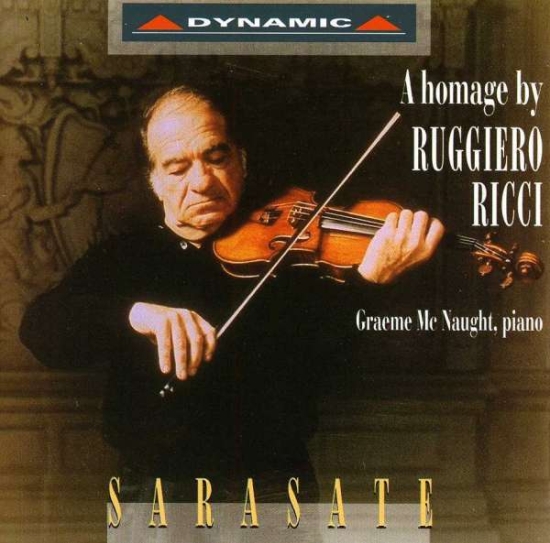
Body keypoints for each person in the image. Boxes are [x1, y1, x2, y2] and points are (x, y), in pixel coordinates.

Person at [19, 86, 444, 502]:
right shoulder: (125, 255)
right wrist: (135, 314)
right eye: (177, 168)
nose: (203, 182)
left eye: (216, 157)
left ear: (241, 161)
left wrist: (367, 282)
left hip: (274, 487)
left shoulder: (293, 256)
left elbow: (331, 360)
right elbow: (42, 331)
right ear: (154, 181)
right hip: (156, 490)